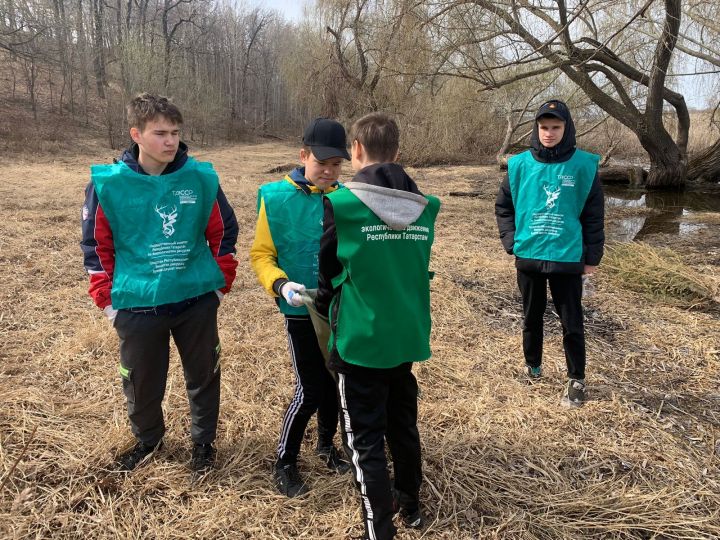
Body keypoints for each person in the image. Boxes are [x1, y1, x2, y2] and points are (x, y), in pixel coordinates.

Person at [80, 93, 239, 474]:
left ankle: (203, 443)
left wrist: (219, 285)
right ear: (136, 134)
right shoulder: (109, 185)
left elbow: (223, 231)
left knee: (204, 376)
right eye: (160, 133)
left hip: (195, 299)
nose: (170, 142)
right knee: (141, 382)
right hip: (136, 304)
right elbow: (96, 245)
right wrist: (108, 302)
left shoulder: (199, 179)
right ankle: (148, 441)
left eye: (175, 132)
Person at [315, 112, 441, 540]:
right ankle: (411, 506)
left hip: (360, 341)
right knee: (402, 424)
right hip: (405, 336)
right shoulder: (426, 208)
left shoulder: (342, 204)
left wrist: (322, 299)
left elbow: (327, 271)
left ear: (356, 150)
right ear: (398, 154)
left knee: (364, 438)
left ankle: (378, 529)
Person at [250, 117, 352, 498]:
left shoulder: (346, 200)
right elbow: (261, 254)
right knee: (309, 388)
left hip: (339, 311)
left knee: (334, 383)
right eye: (321, 162)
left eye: (336, 164)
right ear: (303, 155)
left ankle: (326, 447)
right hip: (299, 311)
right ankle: (285, 461)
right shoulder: (275, 199)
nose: (328, 171)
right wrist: (280, 283)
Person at [495, 99, 605, 407]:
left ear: (566, 128)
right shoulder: (519, 165)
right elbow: (504, 206)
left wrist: (592, 257)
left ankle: (576, 380)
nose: (549, 133)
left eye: (555, 127)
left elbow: (594, 215)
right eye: (544, 127)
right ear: (536, 128)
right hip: (529, 255)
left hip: (568, 257)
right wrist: (510, 240)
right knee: (531, 316)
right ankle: (533, 367)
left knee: (571, 321)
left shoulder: (584, 166)